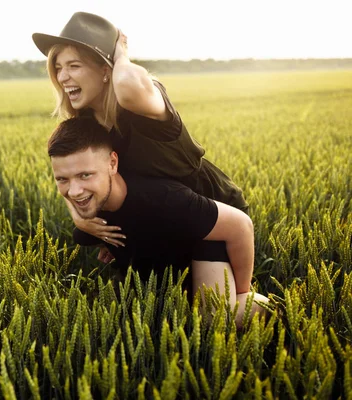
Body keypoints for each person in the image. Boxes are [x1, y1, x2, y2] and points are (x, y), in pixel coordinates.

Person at [33, 11, 251, 298]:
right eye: (58, 67)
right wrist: (78, 217)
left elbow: (127, 86)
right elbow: (74, 177)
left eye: (74, 65)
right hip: (156, 222)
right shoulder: (87, 124)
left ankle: (265, 305)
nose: (62, 77)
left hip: (209, 214)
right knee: (164, 310)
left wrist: (120, 52)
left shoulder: (143, 103)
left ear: (105, 69)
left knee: (221, 315)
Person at [48, 116, 268, 325]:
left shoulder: (164, 200)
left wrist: (241, 294)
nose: (75, 191)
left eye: (85, 175)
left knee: (212, 319)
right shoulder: (92, 225)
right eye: (62, 179)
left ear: (113, 163)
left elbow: (241, 225)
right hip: (177, 268)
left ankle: (280, 309)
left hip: (208, 240)